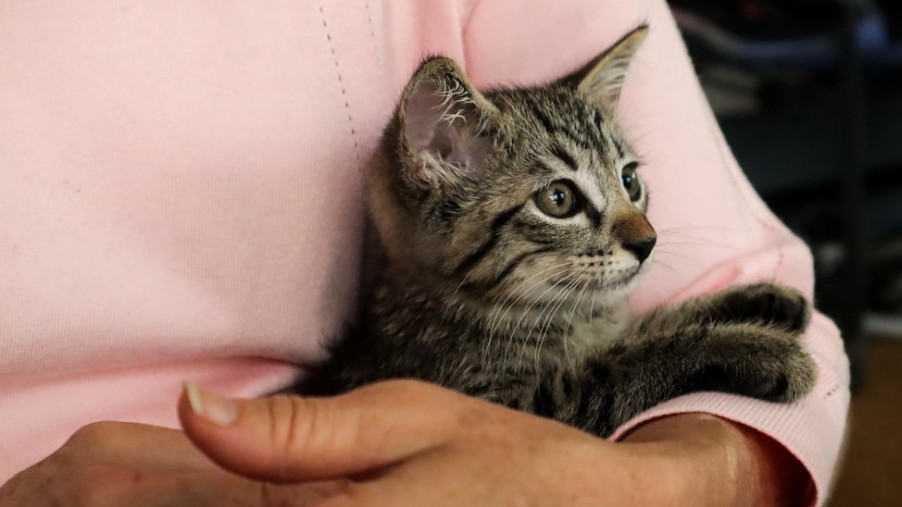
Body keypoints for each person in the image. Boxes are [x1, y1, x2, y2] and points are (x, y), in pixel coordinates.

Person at [0, 0, 850, 505]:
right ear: (441, 162)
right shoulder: (447, 320)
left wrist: (693, 470)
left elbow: (759, 283)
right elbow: (545, 407)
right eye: (563, 200)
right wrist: (682, 352)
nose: (636, 233)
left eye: (628, 186)